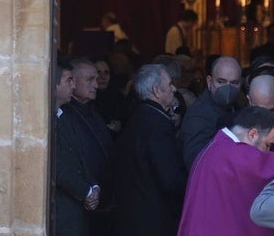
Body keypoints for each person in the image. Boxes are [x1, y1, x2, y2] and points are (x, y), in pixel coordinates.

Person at [177, 106, 274, 236]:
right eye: (267, 145)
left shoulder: (219, 146)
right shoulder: (235, 154)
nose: (268, 152)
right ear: (252, 134)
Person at [113, 64, 187, 236]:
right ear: (156, 91)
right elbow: (170, 179)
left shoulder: (140, 116)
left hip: (133, 214)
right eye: (169, 84)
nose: (174, 88)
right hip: (153, 220)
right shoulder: (156, 125)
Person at [59, 58, 115, 236]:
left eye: (96, 79)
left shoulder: (92, 109)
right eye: (90, 80)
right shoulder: (64, 115)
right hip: (81, 200)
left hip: (101, 196)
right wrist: (89, 190)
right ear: (73, 82)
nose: (96, 85)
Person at [54, 61, 100, 236]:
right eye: (68, 80)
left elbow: (80, 156)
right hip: (63, 211)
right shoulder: (45, 121)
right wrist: (86, 191)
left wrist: (94, 186)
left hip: (78, 211)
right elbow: (55, 163)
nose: (73, 85)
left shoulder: (64, 118)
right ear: (54, 83)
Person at [179, 55, 242, 170]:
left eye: (234, 83)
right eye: (221, 82)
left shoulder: (235, 106)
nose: (228, 88)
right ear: (209, 81)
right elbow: (195, 160)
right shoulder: (199, 115)